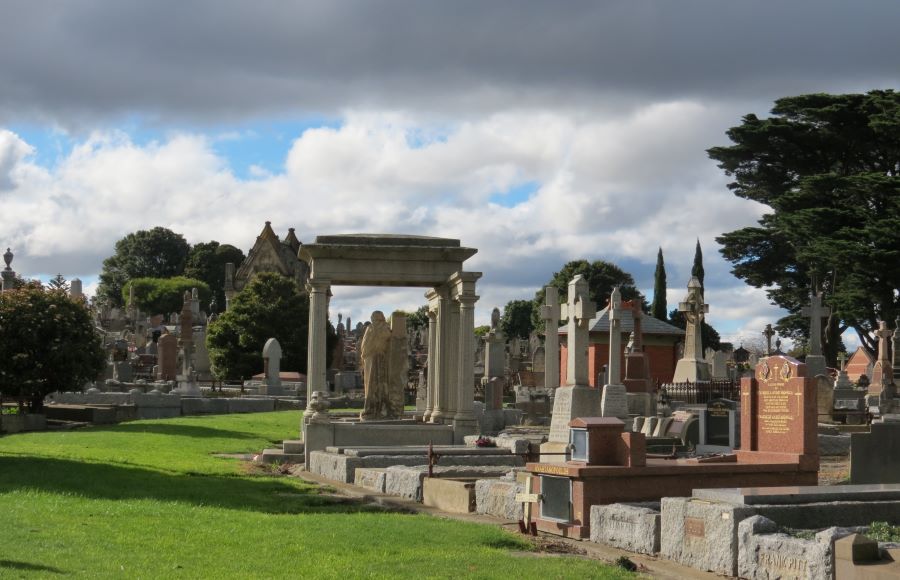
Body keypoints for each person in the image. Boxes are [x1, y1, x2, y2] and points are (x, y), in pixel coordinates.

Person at [360, 311, 392, 420]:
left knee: (379, 384)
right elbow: (364, 346)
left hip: (378, 358)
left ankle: (379, 409)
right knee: (370, 384)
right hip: (371, 358)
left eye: (373, 317)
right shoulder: (371, 328)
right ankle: (372, 408)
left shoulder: (381, 328)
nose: (372, 319)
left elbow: (386, 337)